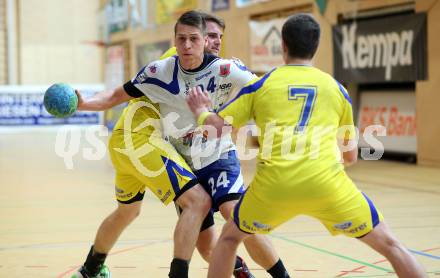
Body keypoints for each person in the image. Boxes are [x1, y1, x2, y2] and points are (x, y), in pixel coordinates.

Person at [186, 13, 427, 278]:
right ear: (316, 46)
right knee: (392, 246)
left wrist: (200, 110)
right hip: (328, 184)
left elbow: (214, 130)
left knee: (230, 239)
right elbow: (350, 157)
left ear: (283, 45)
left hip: (274, 186)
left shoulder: (261, 85)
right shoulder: (337, 89)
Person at [73, 10, 289, 278]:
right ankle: (242, 273)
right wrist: (84, 103)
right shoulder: (161, 70)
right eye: (184, 38)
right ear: (175, 41)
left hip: (218, 155)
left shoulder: (226, 69)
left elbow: (263, 93)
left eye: (209, 38)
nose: (191, 44)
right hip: (184, 159)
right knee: (206, 244)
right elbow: (115, 96)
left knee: (236, 216)